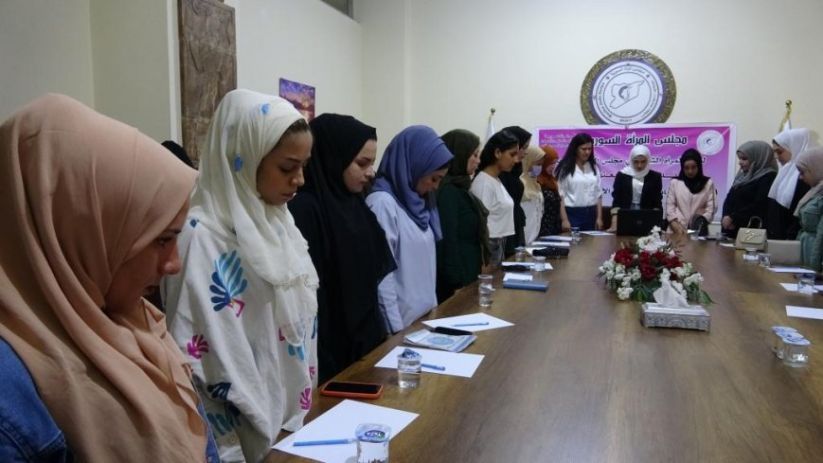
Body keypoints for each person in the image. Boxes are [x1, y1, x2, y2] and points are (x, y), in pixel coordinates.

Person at [0, 94, 218, 462]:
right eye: (161, 240)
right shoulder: (11, 388)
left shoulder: (135, 321)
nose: (173, 264)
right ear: (82, 230)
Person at [162, 89, 319, 462]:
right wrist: (260, 432)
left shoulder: (277, 222)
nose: (299, 180)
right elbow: (208, 355)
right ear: (243, 159)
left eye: (304, 166)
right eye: (287, 168)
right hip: (237, 438)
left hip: (290, 423)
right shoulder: (199, 237)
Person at [288, 114, 396, 384]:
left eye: (372, 163)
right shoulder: (305, 208)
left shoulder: (355, 202)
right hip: (330, 355)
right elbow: (312, 294)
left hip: (366, 344)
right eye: (362, 163)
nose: (371, 172)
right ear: (334, 158)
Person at [367, 126, 453, 333]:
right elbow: (382, 277)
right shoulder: (383, 203)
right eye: (433, 178)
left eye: (440, 180)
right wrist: (395, 329)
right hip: (400, 326)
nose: (435, 187)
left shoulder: (422, 204)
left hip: (424, 318)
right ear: (415, 166)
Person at [435, 129, 489, 303]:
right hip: (457, 281)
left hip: (469, 272)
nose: (478, 161)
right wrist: (456, 283)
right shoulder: (448, 192)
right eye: (474, 155)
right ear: (459, 155)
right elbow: (448, 239)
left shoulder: (461, 188)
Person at [471, 130, 520, 266]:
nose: (516, 160)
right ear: (498, 153)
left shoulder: (496, 180)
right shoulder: (484, 183)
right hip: (489, 245)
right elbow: (480, 224)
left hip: (499, 242)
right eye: (512, 154)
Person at [721, 141, 778, 238]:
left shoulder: (768, 177)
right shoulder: (742, 176)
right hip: (731, 228)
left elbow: (760, 204)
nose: (740, 162)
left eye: (744, 159)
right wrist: (726, 217)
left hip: (751, 232)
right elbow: (729, 198)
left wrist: (733, 218)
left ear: (758, 158)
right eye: (739, 159)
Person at [766, 128, 815, 239]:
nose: (776, 157)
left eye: (779, 152)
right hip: (779, 237)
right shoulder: (785, 171)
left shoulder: (806, 176)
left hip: (794, 239)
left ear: (795, 147)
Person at [607, 144, 662, 232]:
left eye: (643, 162)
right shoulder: (622, 175)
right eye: (636, 162)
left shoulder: (655, 177)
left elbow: (657, 202)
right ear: (631, 160)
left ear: (648, 160)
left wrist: (657, 224)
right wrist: (614, 221)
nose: (639, 165)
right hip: (625, 214)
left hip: (646, 217)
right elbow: (617, 199)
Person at [556, 133, 603, 231]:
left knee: (591, 240)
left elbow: (598, 194)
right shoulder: (565, 168)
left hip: (591, 213)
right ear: (575, 149)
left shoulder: (594, 167)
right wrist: (564, 220)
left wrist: (599, 218)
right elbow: (560, 196)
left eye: (589, 149)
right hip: (572, 214)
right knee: (574, 241)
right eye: (583, 149)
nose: (587, 152)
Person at [666, 148, 717, 234]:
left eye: (693, 167)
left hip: (699, 231)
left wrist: (700, 221)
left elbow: (711, 209)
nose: (690, 171)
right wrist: (675, 225)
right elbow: (670, 208)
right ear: (682, 167)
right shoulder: (675, 183)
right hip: (676, 230)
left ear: (699, 166)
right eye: (686, 168)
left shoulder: (708, 183)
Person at [499, 126, 531, 256]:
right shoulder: (501, 173)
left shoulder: (515, 171)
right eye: (524, 148)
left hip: (516, 222)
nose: (525, 152)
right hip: (506, 227)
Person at [795, 147, 823, 271]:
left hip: (814, 256)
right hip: (805, 249)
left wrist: (814, 267)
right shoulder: (814, 191)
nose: (800, 177)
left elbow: (821, 235)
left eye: (803, 172)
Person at [520, 145, 546, 243]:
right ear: (528, 161)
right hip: (524, 233)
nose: (539, 168)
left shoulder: (535, 183)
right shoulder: (520, 182)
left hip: (534, 235)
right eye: (537, 164)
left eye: (541, 165)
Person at [537, 146, 563, 236]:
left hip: (555, 226)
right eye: (551, 163)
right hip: (542, 227)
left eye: (555, 163)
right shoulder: (537, 181)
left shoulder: (553, 180)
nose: (553, 166)